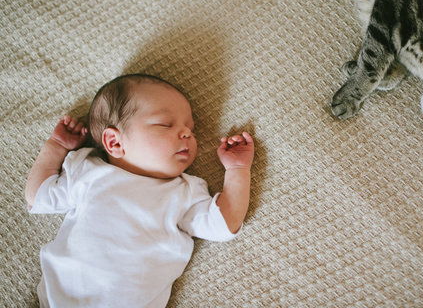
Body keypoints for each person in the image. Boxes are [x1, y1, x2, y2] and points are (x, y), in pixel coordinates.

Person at [25, 74, 255, 307]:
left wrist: (237, 169)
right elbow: (38, 197)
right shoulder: (89, 172)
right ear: (114, 143)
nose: (186, 133)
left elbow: (224, 223)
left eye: (191, 129)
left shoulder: (184, 192)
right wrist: (56, 147)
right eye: (166, 124)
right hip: (59, 298)